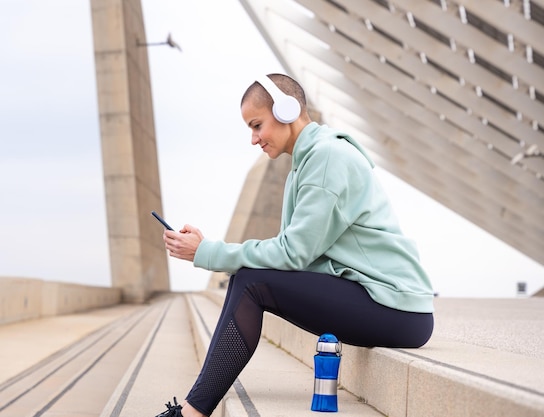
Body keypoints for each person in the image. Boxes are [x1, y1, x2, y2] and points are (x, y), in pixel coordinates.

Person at [154, 73, 435, 417]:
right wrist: (210, 251)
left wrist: (207, 252)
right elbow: (294, 255)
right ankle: (193, 410)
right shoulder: (306, 163)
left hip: (396, 308)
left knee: (250, 282)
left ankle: (191, 413)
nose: (254, 139)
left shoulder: (327, 158)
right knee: (249, 277)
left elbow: (292, 254)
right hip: (378, 299)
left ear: (287, 110)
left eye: (257, 125)